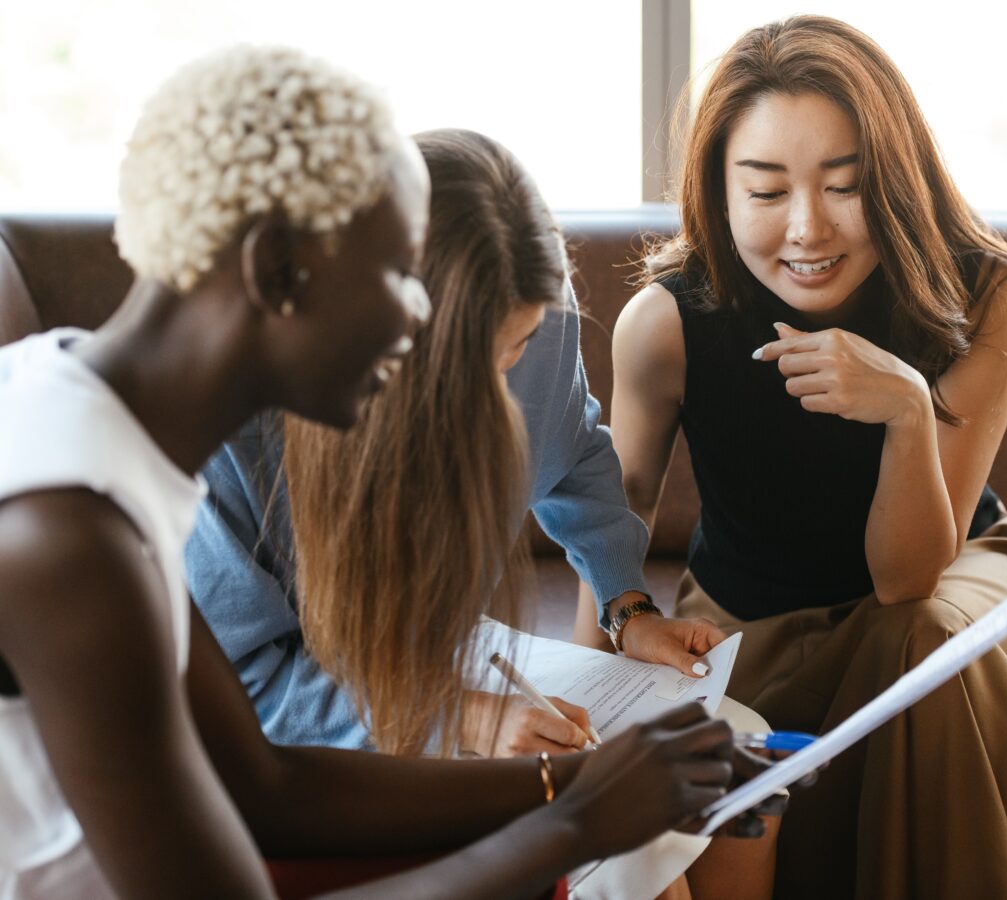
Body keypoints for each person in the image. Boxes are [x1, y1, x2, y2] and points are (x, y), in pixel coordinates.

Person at [0, 46, 738, 900]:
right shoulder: (65, 537)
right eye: (396, 275)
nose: (416, 316)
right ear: (277, 271)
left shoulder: (92, 426)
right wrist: (572, 825)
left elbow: (262, 783)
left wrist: (573, 784)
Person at [573, 15, 1007, 900]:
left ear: (894, 179)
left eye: (845, 185)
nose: (808, 229)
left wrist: (906, 409)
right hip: (752, 616)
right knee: (914, 655)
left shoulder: (983, 295)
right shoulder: (666, 324)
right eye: (767, 190)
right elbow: (610, 518)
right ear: (719, 191)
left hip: (959, 579)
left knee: (920, 639)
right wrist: (584, 699)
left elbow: (909, 581)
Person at [189, 126, 782, 900]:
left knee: (735, 746)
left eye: (522, 346)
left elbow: (573, 453)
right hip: (317, 717)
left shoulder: (540, 318)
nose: (501, 390)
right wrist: (461, 719)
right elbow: (247, 689)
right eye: (475, 359)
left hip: (444, 651)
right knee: (637, 851)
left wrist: (626, 605)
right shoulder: (236, 422)